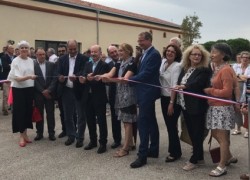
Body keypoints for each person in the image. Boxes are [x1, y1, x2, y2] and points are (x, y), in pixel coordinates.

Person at [175, 44, 211, 170]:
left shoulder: (204, 69)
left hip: (197, 106)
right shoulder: (186, 68)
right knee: (192, 132)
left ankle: (194, 160)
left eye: (199, 55)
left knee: (197, 133)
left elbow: (198, 83)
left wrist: (184, 87)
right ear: (188, 56)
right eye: (194, 54)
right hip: (185, 104)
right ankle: (199, 157)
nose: (196, 56)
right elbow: (180, 82)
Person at [129, 32, 161, 168]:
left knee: (143, 123)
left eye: (141, 40)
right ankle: (153, 149)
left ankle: (142, 156)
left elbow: (147, 74)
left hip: (148, 93)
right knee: (151, 121)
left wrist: (129, 80)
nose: (139, 43)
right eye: (138, 40)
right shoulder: (144, 54)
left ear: (149, 40)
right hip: (143, 92)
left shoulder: (154, 54)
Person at [204, 43, 237, 177]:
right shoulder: (218, 68)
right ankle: (228, 156)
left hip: (222, 108)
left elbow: (227, 92)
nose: (211, 54)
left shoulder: (226, 70)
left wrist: (210, 90)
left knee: (222, 137)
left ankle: (222, 166)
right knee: (216, 134)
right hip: (215, 106)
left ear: (223, 55)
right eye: (211, 51)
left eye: (214, 52)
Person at [101, 43, 137, 157]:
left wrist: (109, 80)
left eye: (121, 51)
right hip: (120, 95)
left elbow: (125, 79)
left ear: (128, 52)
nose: (118, 53)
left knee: (128, 122)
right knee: (125, 121)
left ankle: (125, 148)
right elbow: (110, 73)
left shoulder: (132, 62)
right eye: (119, 50)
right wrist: (99, 76)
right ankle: (130, 144)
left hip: (128, 96)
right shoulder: (119, 62)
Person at [57, 39, 89, 147]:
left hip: (79, 90)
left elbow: (85, 71)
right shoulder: (62, 59)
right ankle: (71, 135)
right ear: (67, 49)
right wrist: (60, 78)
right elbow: (59, 72)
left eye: (74, 49)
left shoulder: (84, 58)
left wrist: (76, 76)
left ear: (77, 48)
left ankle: (80, 137)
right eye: (70, 49)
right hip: (66, 89)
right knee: (67, 115)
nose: (72, 51)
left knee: (80, 116)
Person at [80, 45, 109, 154]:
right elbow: (83, 75)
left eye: (95, 52)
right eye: (91, 52)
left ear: (100, 53)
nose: (93, 54)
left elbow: (107, 79)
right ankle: (93, 141)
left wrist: (97, 78)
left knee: (101, 121)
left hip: (99, 97)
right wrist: (83, 78)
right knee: (90, 119)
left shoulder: (104, 65)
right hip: (88, 97)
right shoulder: (87, 64)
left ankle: (103, 143)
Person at [7, 40, 36, 147]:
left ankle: (26, 134)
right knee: (20, 112)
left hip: (29, 89)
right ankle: (21, 136)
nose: (24, 49)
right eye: (22, 47)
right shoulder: (15, 61)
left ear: (28, 50)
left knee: (28, 111)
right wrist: (29, 77)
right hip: (19, 89)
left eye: (26, 48)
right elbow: (17, 78)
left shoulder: (31, 61)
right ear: (18, 50)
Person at [159, 44, 182, 163]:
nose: (169, 53)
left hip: (172, 100)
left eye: (172, 52)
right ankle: (175, 150)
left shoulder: (177, 66)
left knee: (172, 126)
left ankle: (174, 153)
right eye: (168, 51)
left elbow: (174, 86)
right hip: (163, 98)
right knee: (170, 126)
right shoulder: (163, 63)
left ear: (176, 54)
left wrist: (171, 103)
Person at [33, 47, 57, 141]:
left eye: (43, 54)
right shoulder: (33, 65)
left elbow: (54, 78)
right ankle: (39, 133)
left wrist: (49, 90)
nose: (42, 56)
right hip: (38, 94)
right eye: (40, 54)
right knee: (39, 114)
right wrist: (42, 91)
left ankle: (51, 133)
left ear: (46, 54)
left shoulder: (51, 64)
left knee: (50, 114)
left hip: (50, 94)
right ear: (36, 55)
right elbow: (33, 80)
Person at [106, 45, 122, 149]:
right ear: (109, 54)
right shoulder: (108, 65)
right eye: (112, 53)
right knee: (115, 119)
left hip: (125, 94)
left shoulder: (125, 61)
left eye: (115, 51)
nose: (114, 54)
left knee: (129, 118)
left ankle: (131, 142)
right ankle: (117, 140)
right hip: (113, 94)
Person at [232, 51, 250, 135]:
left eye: (247, 58)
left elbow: (248, 79)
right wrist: (242, 78)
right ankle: (238, 128)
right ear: (241, 58)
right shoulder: (235, 66)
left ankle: (247, 130)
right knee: (237, 108)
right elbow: (232, 76)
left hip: (247, 89)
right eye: (244, 57)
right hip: (237, 88)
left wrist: (238, 75)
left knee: (246, 109)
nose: (245, 59)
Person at [1, 45, 15, 115]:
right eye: (11, 48)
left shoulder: (15, 57)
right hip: (6, 78)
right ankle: (5, 109)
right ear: (7, 49)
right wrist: (11, 65)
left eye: (13, 48)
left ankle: (13, 108)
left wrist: (10, 65)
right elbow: (5, 66)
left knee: (13, 94)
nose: (13, 49)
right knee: (6, 95)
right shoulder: (4, 57)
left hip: (14, 78)